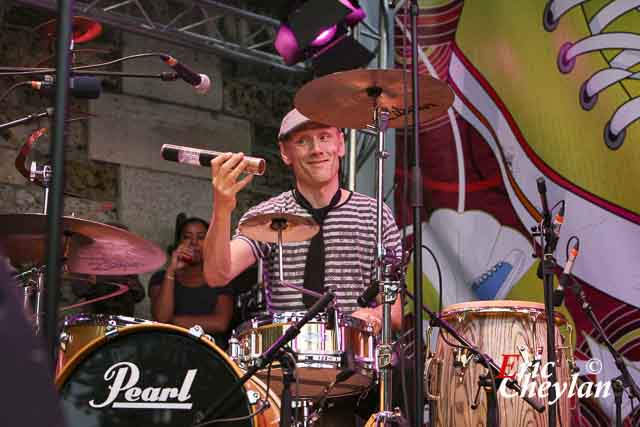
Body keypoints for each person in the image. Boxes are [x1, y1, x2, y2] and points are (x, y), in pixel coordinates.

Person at [203, 108, 404, 424]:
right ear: (285, 152)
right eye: (303, 141)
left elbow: (395, 312)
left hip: (356, 376)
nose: (316, 149)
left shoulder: (375, 215)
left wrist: (373, 316)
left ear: (340, 143)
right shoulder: (268, 214)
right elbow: (217, 274)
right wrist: (222, 207)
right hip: (285, 375)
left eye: (325, 137)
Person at [149, 215, 234, 348]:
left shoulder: (220, 279)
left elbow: (220, 323)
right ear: (178, 243)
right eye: (187, 237)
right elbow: (161, 316)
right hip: (169, 351)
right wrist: (171, 271)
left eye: (201, 237)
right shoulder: (161, 278)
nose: (194, 242)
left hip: (210, 353)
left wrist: (171, 322)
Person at [69, 222, 146, 317]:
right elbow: (78, 289)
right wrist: (92, 283)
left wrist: (131, 284)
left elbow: (140, 295)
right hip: (95, 320)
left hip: (123, 319)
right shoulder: (89, 262)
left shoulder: (127, 266)